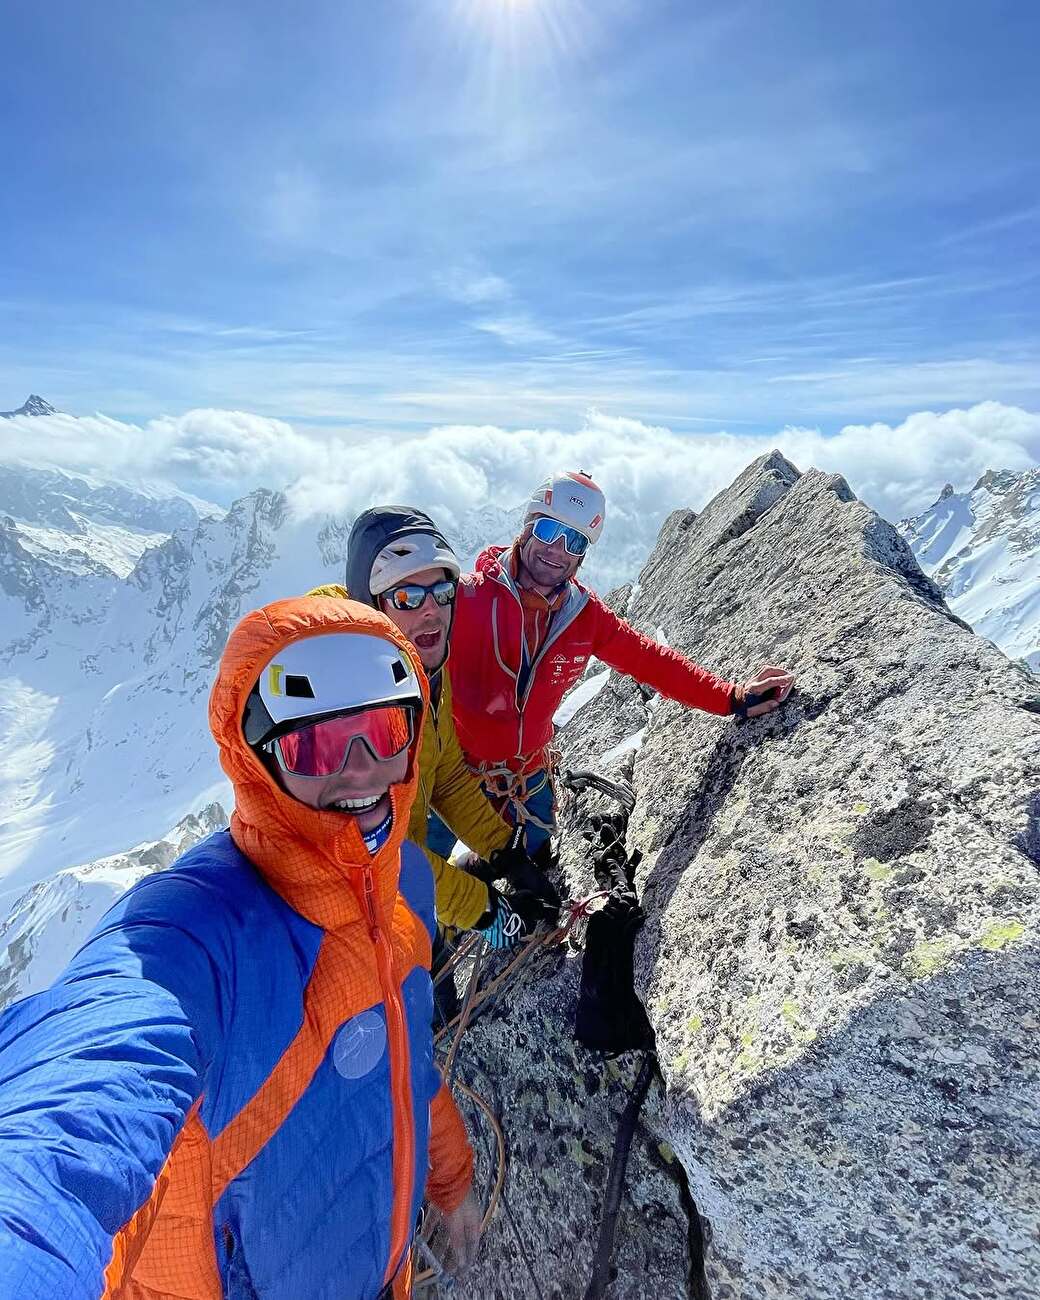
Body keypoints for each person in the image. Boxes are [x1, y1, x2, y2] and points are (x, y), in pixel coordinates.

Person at [0, 595, 480, 1299]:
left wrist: (451, 1180)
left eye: (384, 728)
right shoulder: (192, 934)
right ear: (256, 757)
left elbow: (404, 1060)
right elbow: (67, 1131)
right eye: (315, 743)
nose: (363, 770)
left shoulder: (405, 879)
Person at [448, 470, 797, 850]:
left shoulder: (582, 616)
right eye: (548, 531)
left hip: (527, 785)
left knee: (531, 885)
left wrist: (732, 697)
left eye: (575, 541)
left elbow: (652, 662)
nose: (557, 550)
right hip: (453, 784)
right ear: (528, 526)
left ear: (583, 553)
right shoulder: (466, 599)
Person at [311, 506, 559, 951]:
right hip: (353, 927)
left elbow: (444, 772)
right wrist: (482, 910)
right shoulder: (346, 711)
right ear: (372, 605)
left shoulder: (422, 672)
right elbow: (380, 850)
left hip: (405, 906)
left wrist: (504, 851)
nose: (431, 612)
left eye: (442, 592)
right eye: (407, 597)